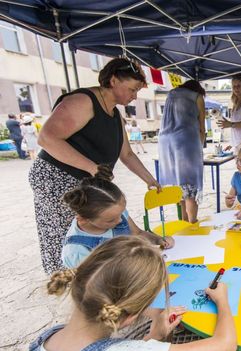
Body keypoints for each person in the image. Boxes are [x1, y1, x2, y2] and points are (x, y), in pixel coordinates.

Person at [26, 235, 237, 351]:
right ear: (131, 317)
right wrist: (222, 301)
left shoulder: (47, 340)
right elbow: (226, 346)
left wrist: (155, 335)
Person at [28, 57, 159, 274]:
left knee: (101, 232)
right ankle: (69, 281)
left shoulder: (115, 114)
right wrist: (92, 168)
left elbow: (126, 154)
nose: (135, 96)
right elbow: (47, 138)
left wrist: (150, 179)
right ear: (114, 81)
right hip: (57, 179)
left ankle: (101, 277)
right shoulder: (83, 101)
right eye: (133, 89)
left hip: (88, 182)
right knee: (70, 239)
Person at [61, 165, 175, 268]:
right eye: (110, 220)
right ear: (83, 219)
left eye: (121, 213)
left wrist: (157, 240)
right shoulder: (76, 252)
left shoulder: (114, 211)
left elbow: (137, 233)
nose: (120, 220)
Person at [158, 80, 206, 224]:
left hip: (166, 144)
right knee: (190, 186)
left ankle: (184, 222)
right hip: (186, 143)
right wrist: (200, 148)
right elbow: (201, 128)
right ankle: (192, 223)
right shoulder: (197, 97)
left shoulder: (171, 94)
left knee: (180, 185)